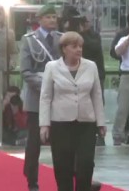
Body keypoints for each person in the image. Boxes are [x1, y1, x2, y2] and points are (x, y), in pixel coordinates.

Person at [39, 31, 106, 191]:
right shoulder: (52, 67)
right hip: (61, 123)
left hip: (86, 123)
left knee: (86, 164)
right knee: (63, 165)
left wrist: (101, 122)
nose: (79, 50)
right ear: (64, 49)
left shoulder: (91, 66)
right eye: (74, 46)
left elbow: (96, 95)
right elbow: (46, 97)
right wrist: (44, 124)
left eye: (80, 46)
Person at [20, 5, 62, 191]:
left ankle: (65, 180)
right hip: (36, 99)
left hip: (60, 99)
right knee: (34, 143)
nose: (52, 20)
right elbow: (26, 72)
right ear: (40, 19)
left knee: (61, 144)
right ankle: (32, 181)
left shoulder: (62, 39)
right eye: (48, 17)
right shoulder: (29, 40)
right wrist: (47, 84)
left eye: (54, 17)